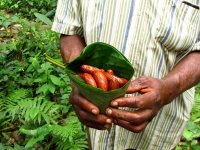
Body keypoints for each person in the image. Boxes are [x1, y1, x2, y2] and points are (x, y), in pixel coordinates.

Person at [52, 1, 200, 150]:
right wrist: (82, 83)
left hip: (159, 133)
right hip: (97, 131)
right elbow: (69, 29)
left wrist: (170, 88)